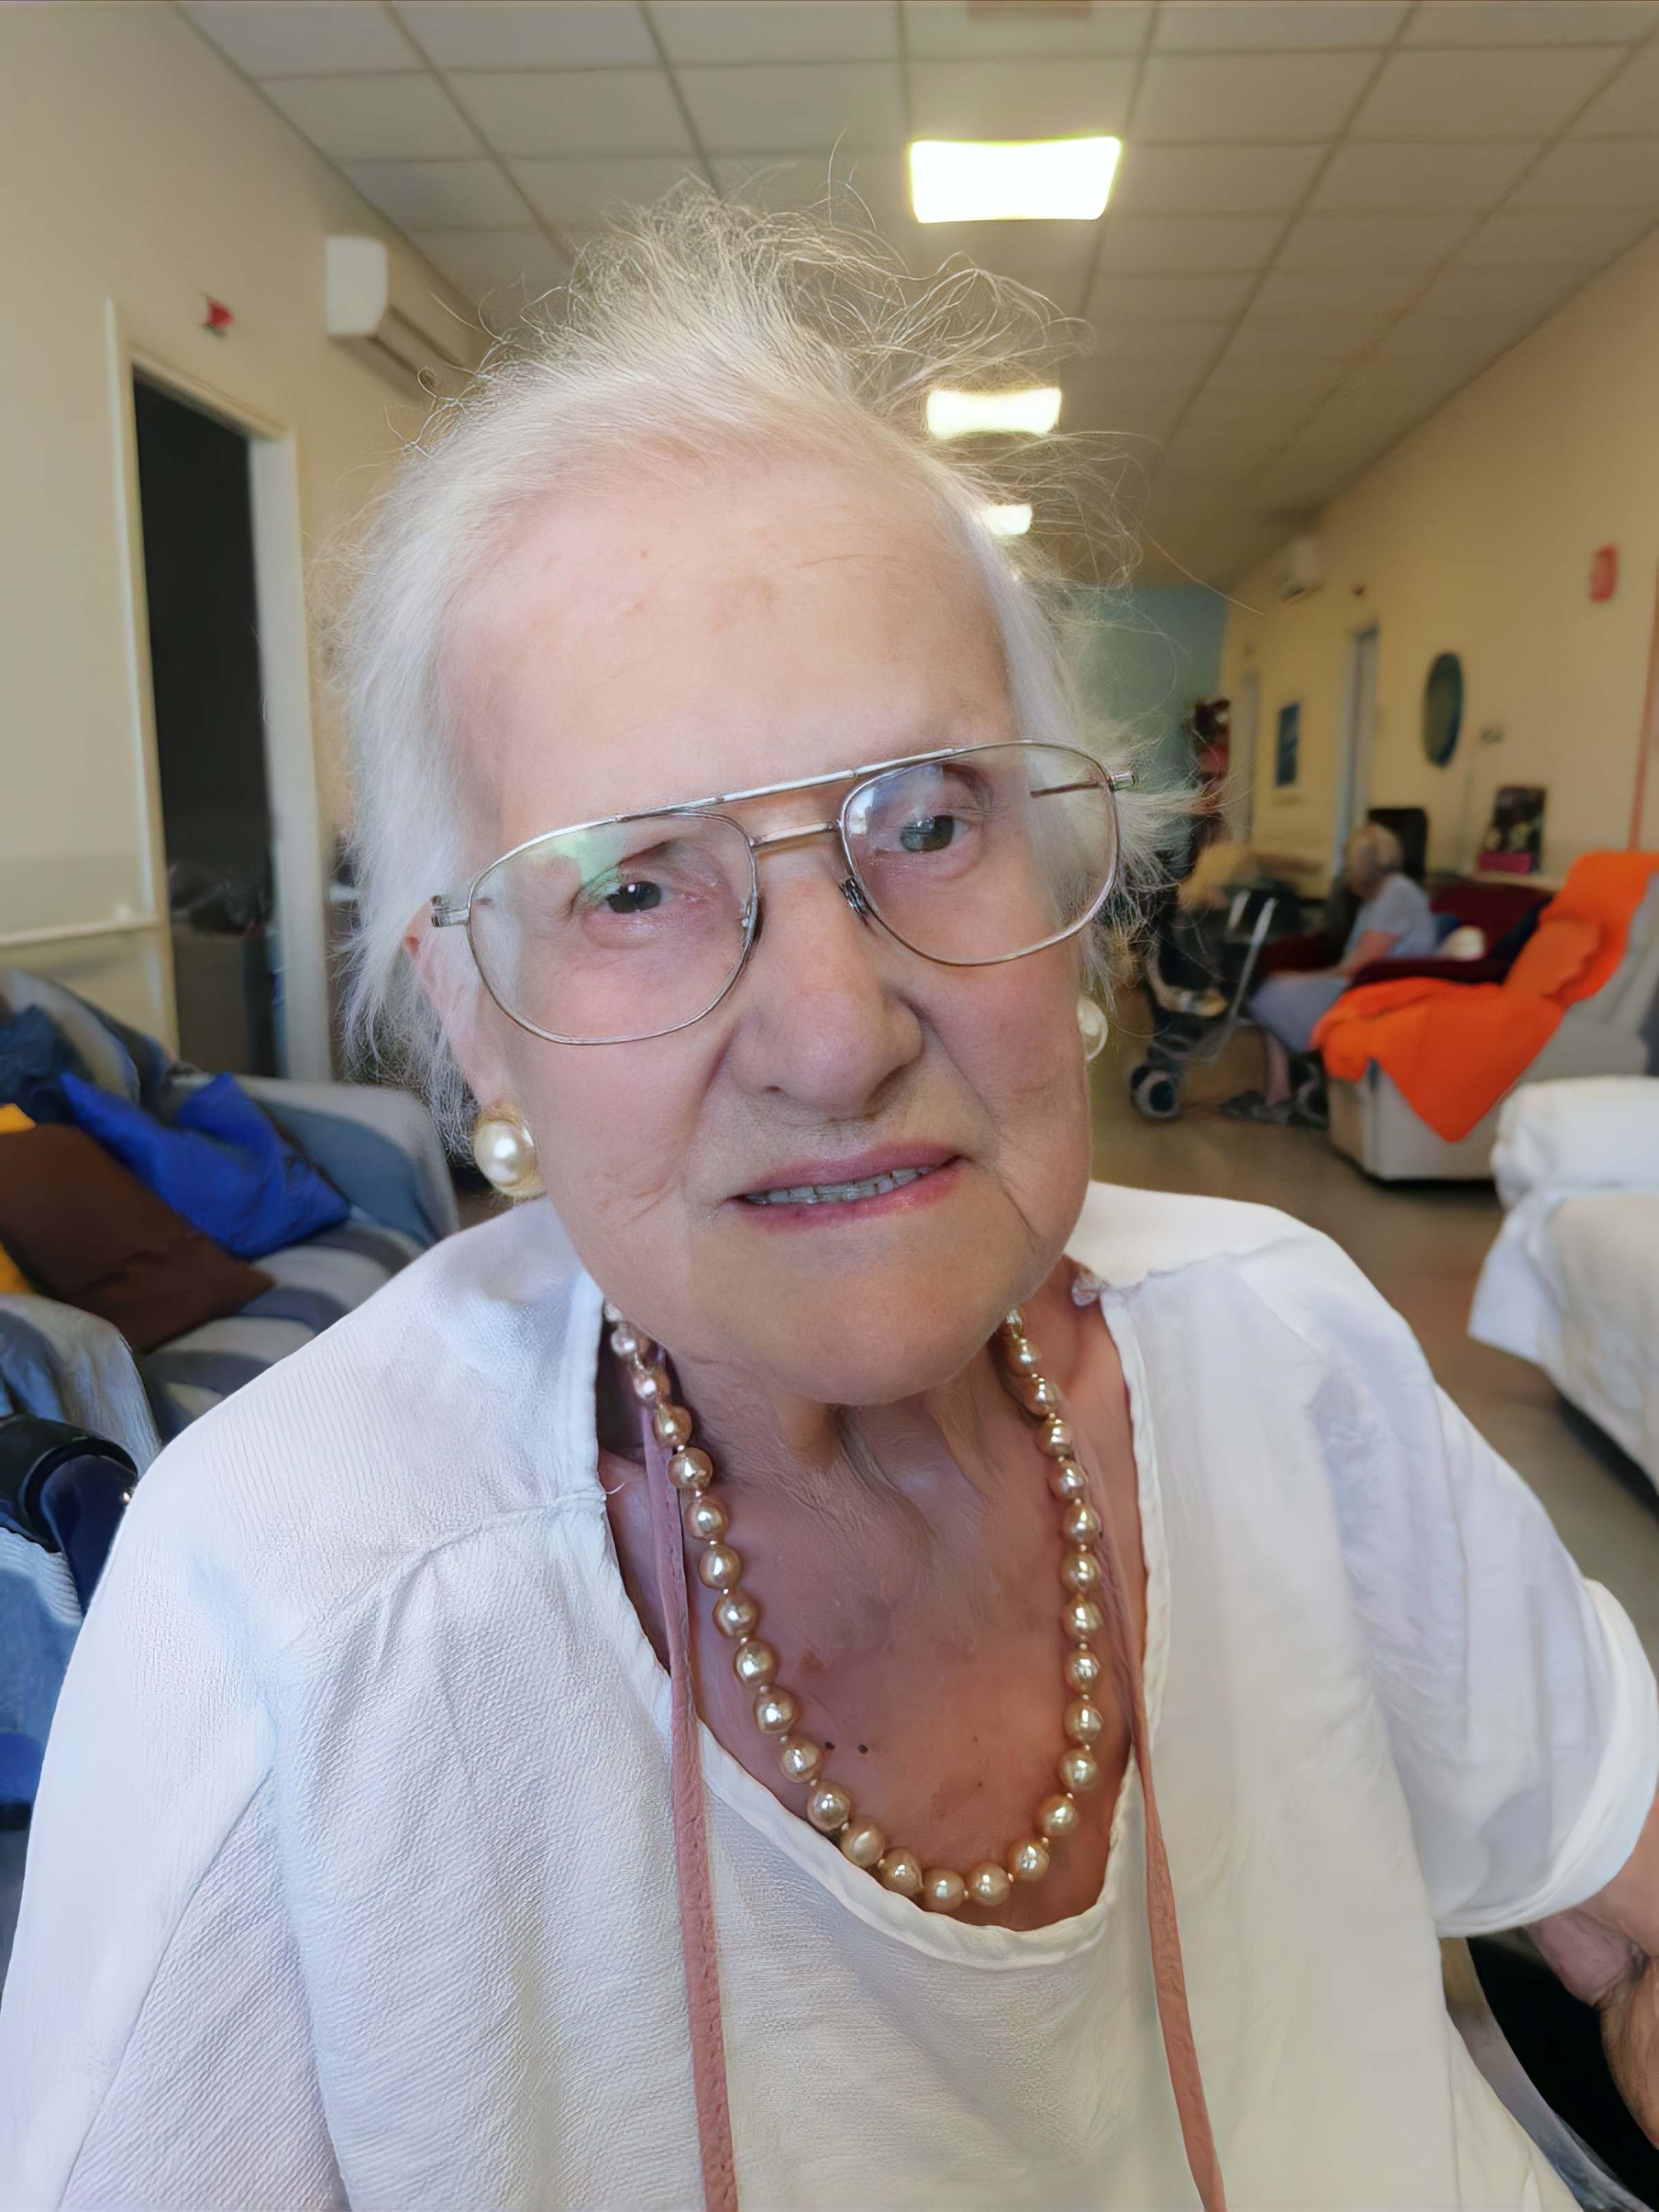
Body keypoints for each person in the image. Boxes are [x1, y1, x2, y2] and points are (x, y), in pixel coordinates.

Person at [3, 197, 1659, 2212]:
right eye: (632, 880)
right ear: (472, 1018)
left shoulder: (1279, 1336)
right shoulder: (287, 1613)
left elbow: (1623, 1910)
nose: (830, 1028)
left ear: (1069, 892)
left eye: (926, 818)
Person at [1225, 819, 1439, 1124]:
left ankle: (1291, 1086)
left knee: (1272, 995)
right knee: (1273, 992)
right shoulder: (1385, 894)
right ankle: (1280, 1090)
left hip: (1378, 991)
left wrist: (1307, 978)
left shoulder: (1396, 895)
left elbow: (1360, 965)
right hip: (1368, 984)